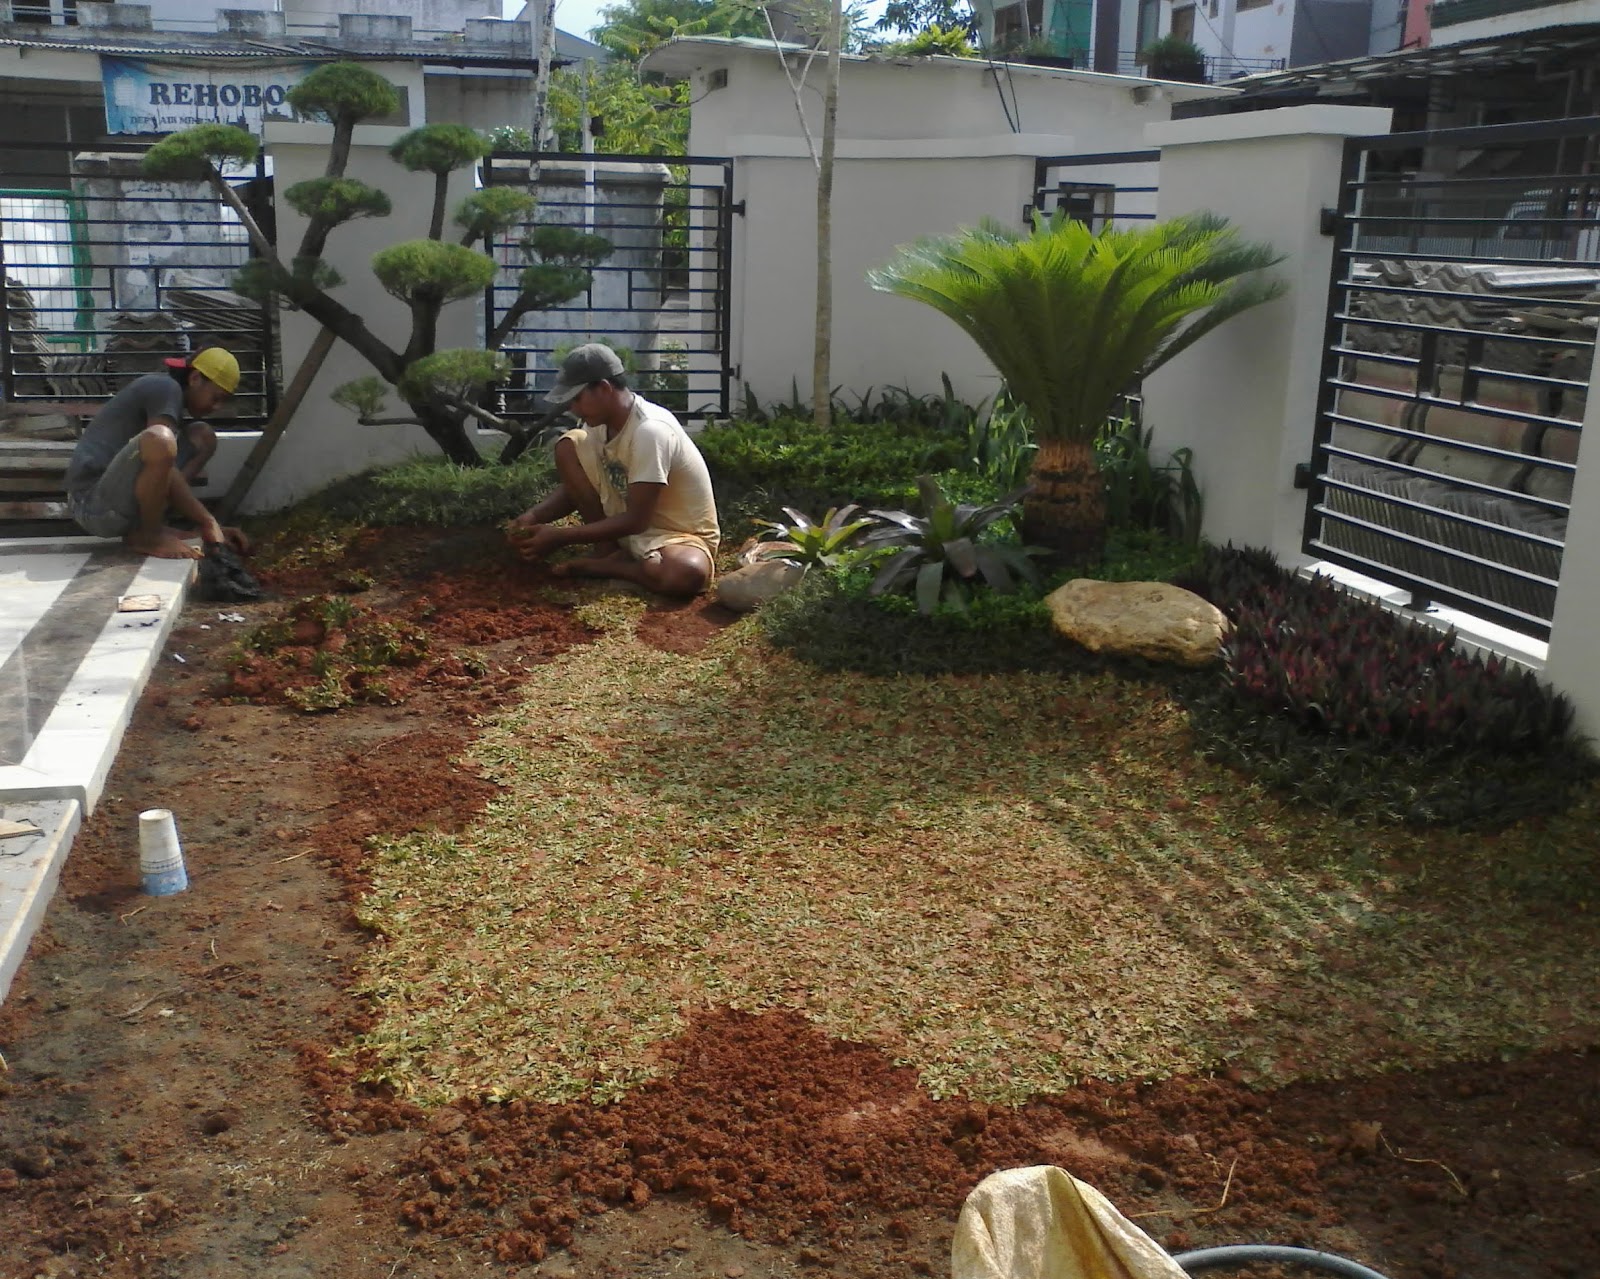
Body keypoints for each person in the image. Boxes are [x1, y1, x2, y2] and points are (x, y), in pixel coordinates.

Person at [508, 344, 720, 597]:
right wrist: (534, 516)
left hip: (674, 538)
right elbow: (580, 484)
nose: (572, 408)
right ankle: (608, 552)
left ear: (605, 389)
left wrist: (561, 536)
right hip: (625, 531)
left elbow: (637, 520)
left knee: (685, 573)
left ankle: (611, 568)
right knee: (569, 444)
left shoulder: (650, 431)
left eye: (577, 398)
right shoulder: (599, 424)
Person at [64, 346, 249, 560]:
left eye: (224, 401)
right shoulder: (165, 388)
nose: (217, 407)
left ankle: (151, 526)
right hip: (92, 505)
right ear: (196, 378)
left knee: (202, 437)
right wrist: (207, 521)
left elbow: (165, 472)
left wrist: (207, 527)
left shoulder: (173, 398)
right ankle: (149, 535)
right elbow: (162, 456)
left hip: (117, 501)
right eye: (216, 397)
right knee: (160, 439)